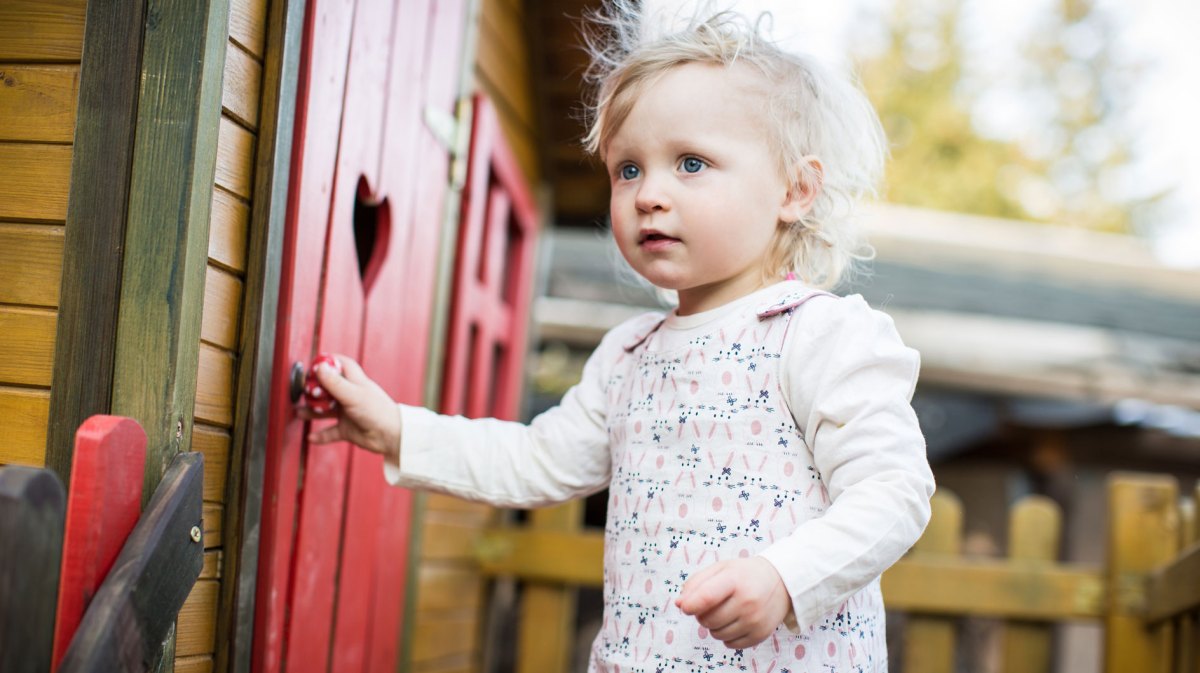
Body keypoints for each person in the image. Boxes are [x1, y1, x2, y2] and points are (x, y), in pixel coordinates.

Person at [306, 5, 934, 671]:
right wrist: (397, 429)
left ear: (795, 189)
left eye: (690, 163)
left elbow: (893, 491)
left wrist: (784, 576)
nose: (648, 194)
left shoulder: (817, 334)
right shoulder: (630, 356)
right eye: (627, 168)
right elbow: (534, 459)